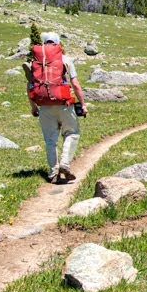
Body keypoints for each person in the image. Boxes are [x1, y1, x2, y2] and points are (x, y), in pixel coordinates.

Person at [25, 32, 87, 183]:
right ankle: (65, 164)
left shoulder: (36, 63)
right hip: (64, 104)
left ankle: (53, 172)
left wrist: (33, 107)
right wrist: (83, 104)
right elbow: (75, 85)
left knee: (50, 140)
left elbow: (30, 86)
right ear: (58, 43)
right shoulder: (65, 60)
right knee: (71, 133)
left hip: (45, 106)